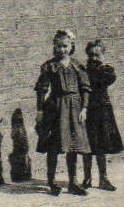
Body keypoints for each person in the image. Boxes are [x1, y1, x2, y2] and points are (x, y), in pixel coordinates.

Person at [34, 29, 93, 195]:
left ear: (71, 46)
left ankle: (73, 182)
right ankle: (52, 182)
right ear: (54, 46)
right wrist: (39, 110)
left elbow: (85, 88)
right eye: (58, 46)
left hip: (74, 108)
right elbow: (41, 89)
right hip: (56, 108)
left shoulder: (77, 66)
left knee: (73, 146)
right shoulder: (50, 66)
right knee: (54, 145)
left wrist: (84, 108)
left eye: (65, 46)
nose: (62, 50)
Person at [83, 39, 124, 191]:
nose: (94, 58)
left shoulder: (106, 70)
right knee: (86, 146)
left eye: (97, 55)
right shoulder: (84, 70)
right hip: (87, 110)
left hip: (102, 111)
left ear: (103, 55)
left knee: (101, 145)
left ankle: (103, 178)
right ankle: (87, 178)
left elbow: (107, 79)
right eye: (91, 55)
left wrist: (101, 66)